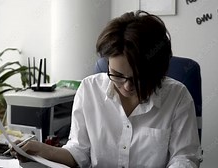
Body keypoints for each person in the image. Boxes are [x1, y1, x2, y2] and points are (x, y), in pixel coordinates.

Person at [12, 10, 202, 168]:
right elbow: (80, 151)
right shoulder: (89, 90)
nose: (127, 86)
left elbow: (184, 158)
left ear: (157, 71)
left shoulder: (177, 96)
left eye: (139, 78)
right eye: (118, 75)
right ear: (107, 63)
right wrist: (43, 150)